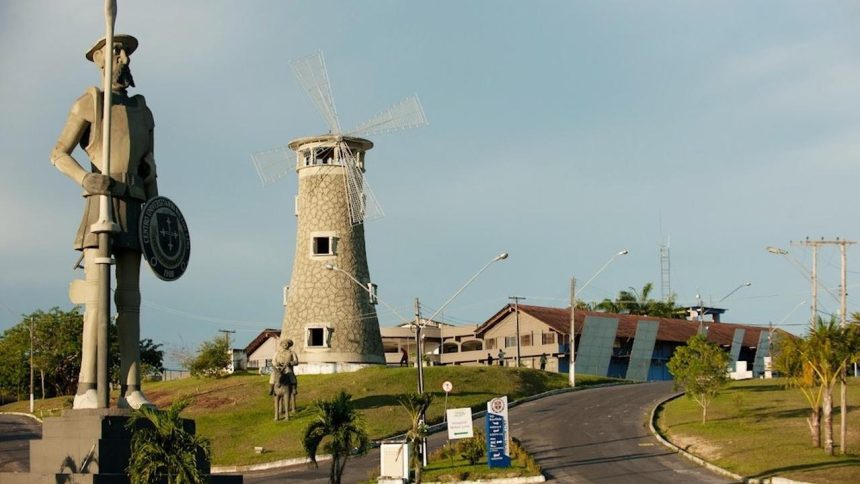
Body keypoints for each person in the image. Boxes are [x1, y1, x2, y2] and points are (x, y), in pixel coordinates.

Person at [51, 34, 157, 409]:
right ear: (98, 58)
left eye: (126, 51)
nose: (124, 57)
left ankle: (131, 389)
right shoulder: (89, 104)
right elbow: (59, 154)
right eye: (115, 50)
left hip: (135, 207)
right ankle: (87, 387)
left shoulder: (143, 112)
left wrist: (158, 218)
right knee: (96, 300)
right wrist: (85, 178)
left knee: (130, 300)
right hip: (100, 204)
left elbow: (150, 173)